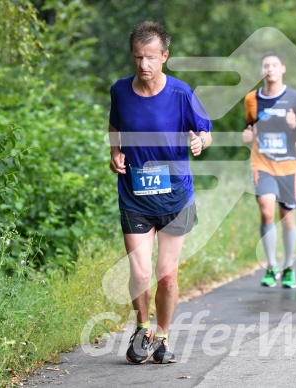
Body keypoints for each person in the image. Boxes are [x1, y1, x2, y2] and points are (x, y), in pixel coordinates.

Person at [108, 21, 212, 364]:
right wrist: (115, 152)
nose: (144, 65)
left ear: (164, 56)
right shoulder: (120, 90)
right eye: (138, 57)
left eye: (151, 57)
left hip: (175, 198)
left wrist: (199, 140)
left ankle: (163, 336)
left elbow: (205, 131)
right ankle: (142, 327)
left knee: (166, 275)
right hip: (134, 196)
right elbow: (114, 126)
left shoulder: (181, 93)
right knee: (139, 273)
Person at [243, 52, 296, 289]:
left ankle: (289, 267)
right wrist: (246, 135)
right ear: (261, 71)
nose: (269, 69)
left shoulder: (295, 98)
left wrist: (295, 125)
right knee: (266, 211)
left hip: (289, 165)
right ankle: (270, 266)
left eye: (274, 65)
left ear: (283, 68)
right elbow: (249, 126)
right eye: (265, 66)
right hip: (262, 163)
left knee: (287, 218)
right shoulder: (252, 98)